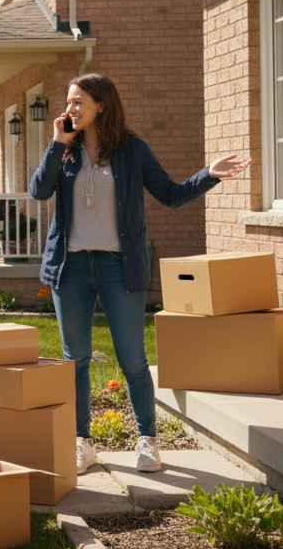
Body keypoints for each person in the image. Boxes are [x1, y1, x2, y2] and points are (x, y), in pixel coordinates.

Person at [29, 73, 249, 474]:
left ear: (102, 105)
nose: (70, 109)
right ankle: (83, 442)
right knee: (74, 359)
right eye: (69, 101)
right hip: (71, 265)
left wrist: (209, 174)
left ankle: (147, 440)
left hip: (120, 265)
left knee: (132, 358)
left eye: (79, 102)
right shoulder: (64, 149)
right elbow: (39, 191)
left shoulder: (133, 151)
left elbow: (170, 194)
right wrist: (56, 143)